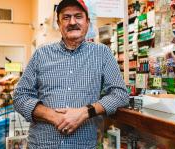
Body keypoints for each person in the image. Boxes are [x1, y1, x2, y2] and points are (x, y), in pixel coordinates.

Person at [13, 0, 129, 148]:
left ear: (87, 22)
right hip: (41, 144)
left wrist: (85, 112)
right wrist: (53, 116)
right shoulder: (41, 54)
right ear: (59, 23)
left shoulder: (102, 54)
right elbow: (20, 96)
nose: (72, 22)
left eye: (78, 16)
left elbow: (120, 94)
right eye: (66, 17)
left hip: (83, 145)